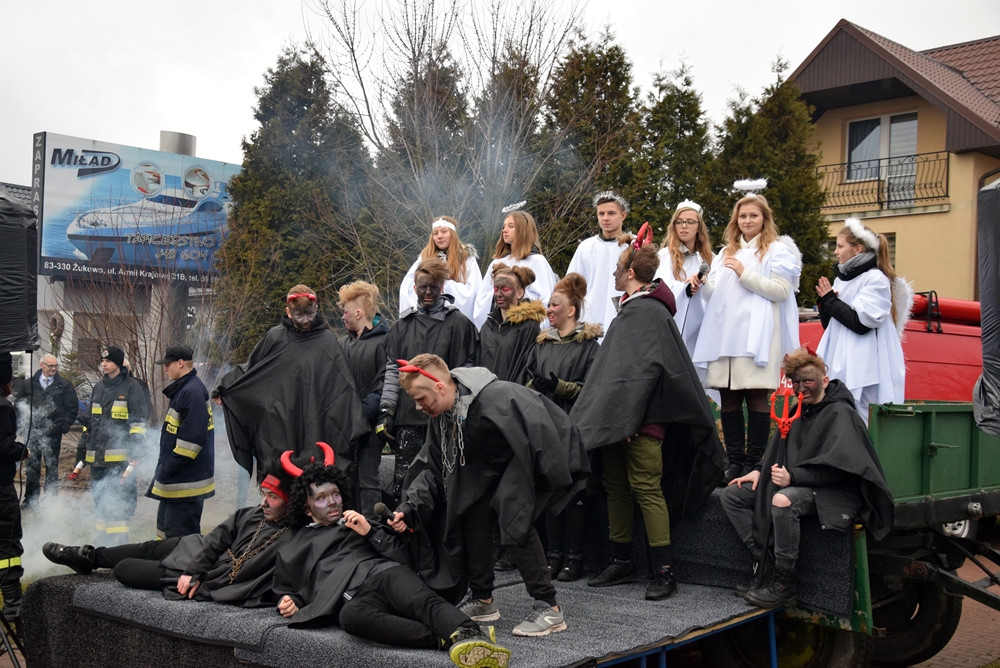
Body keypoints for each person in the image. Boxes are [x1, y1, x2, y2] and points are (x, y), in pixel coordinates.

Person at [571, 229, 726, 600]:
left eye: (617, 270)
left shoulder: (645, 312)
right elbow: (616, 375)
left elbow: (643, 375)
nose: (612, 275)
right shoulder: (634, 309)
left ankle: (665, 571)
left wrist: (628, 419)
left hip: (642, 425)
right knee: (615, 488)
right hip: (618, 423)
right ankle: (621, 559)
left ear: (630, 273)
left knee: (646, 490)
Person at [396, 354, 590, 637]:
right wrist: (409, 505)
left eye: (420, 398)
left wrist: (547, 479)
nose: (417, 406)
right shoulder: (442, 417)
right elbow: (430, 466)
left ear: (439, 387)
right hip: (491, 468)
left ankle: (549, 607)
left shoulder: (497, 397)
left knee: (513, 513)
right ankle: (483, 599)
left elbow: (546, 427)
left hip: (533, 456)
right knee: (470, 509)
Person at [272, 457, 511, 668]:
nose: (333, 502)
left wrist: (369, 532)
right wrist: (292, 600)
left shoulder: (358, 523)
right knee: (350, 619)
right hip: (352, 599)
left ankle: (467, 631)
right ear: (306, 507)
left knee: (420, 600)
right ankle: (447, 638)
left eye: (335, 494)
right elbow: (299, 585)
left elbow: (403, 558)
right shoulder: (296, 546)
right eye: (322, 498)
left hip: (383, 573)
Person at [719, 348, 894, 608]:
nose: (802, 388)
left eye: (809, 381)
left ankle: (783, 585)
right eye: (797, 382)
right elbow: (779, 446)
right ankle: (764, 562)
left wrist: (793, 476)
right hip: (797, 481)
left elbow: (839, 470)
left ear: (824, 380)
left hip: (834, 492)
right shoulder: (798, 409)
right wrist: (758, 468)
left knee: (782, 500)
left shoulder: (840, 414)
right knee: (732, 495)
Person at [42, 463, 296, 606]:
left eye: (272, 497)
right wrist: (193, 568)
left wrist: (196, 576)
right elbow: (217, 538)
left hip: (215, 578)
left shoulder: (297, 536)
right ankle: (87, 557)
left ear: (292, 502)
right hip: (201, 553)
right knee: (151, 548)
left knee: (126, 569)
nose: (264, 502)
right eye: (263, 493)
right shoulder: (252, 514)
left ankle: (99, 560)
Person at [692, 188, 802, 485]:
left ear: (765, 219)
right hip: (725, 336)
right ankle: (734, 461)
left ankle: (755, 461)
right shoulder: (727, 251)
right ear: (735, 220)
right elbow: (715, 293)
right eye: (743, 216)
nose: (747, 220)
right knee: (728, 400)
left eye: (754, 215)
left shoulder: (778, 250)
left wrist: (744, 273)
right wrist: (703, 285)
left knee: (755, 398)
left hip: (756, 337)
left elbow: (781, 291)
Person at [213, 285, 368, 489]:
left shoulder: (327, 342)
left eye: (309, 314)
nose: (305, 320)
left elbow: (342, 388)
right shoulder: (275, 337)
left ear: (317, 308)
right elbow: (252, 368)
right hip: (280, 425)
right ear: (288, 311)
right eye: (299, 315)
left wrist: (355, 421)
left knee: (313, 484)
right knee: (280, 482)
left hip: (317, 427)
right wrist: (225, 387)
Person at [375, 260, 478, 508]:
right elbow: (392, 370)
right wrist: (387, 410)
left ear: (442, 287)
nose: (428, 292)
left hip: (445, 417)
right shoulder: (402, 326)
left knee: (445, 480)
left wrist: (459, 410)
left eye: (434, 287)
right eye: (423, 287)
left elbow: (467, 367)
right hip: (408, 419)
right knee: (406, 479)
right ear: (414, 287)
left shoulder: (459, 324)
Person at [525, 273, 602, 581]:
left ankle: (574, 557)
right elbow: (527, 381)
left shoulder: (589, 347)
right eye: (549, 304)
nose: (549, 309)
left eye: (555, 304)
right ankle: (553, 555)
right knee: (550, 492)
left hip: (575, 428)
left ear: (571, 310)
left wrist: (560, 387)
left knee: (577, 493)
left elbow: (593, 389)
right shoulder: (541, 345)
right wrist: (536, 385)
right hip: (546, 428)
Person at [816, 218, 913, 425]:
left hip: (864, 364)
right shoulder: (841, 279)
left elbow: (861, 323)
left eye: (840, 246)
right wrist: (825, 303)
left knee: (859, 415)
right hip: (840, 358)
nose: (835, 252)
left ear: (857, 249)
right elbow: (832, 327)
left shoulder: (875, 279)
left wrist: (830, 300)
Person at [73, 345, 149, 545]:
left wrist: (136, 449)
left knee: (117, 507)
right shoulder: (98, 387)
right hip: (96, 461)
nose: (104, 364)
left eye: (108, 361)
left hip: (119, 462)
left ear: (118, 363)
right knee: (100, 506)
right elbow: (90, 421)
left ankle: (117, 548)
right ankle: (100, 547)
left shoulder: (132, 387)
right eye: (102, 361)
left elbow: (139, 422)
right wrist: (82, 448)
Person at [147, 344, 215, 539]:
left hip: (185, 484)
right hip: (179, 482)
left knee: (180, 543)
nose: (165, 368)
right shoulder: (185, 389)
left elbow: (191, 444)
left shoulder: (190, 392)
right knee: (165, 537)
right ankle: (165, 568)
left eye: (168, 364)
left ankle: (178, 570)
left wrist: (166, 471)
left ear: (180, 363)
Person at [337, 280, 390, 516]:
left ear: (358, 313)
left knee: (368, 479)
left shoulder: (386, 343)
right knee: (343, 478)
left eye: (345, 312)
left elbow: (384, 386)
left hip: (369, 428)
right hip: (344, 428)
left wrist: (357, 416)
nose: (342, 317)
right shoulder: (341, 344)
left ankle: (372, 531)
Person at [472, 205, 558, 329]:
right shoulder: (496, 263)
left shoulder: (537, 261)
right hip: (497, 329)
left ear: (523, 230)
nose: (504, 230)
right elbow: (481, 299)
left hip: (525, 330)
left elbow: (546, 300)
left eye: (511, 226)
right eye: (504, 226)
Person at [15, 353, 77, 507]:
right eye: (50, 366)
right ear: (42, 365)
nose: (53, 368)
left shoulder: (64, 385)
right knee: (32, 465)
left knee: (51, 465)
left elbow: (72, 407)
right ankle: (31, 499)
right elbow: (19, 405)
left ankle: (50, 500)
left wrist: (64, 426)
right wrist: (23, 427)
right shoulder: (29, 384)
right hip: (33, 431)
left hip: (53, 431)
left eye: (56, 365)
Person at [654, 200, 714, 358]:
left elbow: (716, 295)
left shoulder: (710, 259)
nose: (684, 226)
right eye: (679, 222)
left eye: (690, 222)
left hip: (701, 330)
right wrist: (686, 288)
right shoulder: (665, 256)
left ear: (699, 227)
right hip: (673, 325)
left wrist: (702, 286)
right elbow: (660, 286)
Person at [565, 190, 629, 337]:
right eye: (601, 214)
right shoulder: (586, 247)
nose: (605, 218)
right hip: (589, 318)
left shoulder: (633, 247)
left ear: (623, 215)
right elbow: (570, 286)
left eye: (611, 213)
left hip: (623, 317)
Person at [399, 216, 482, 321]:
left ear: (452, 234)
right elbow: (407, 287)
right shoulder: (424, 258)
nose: (439, 236)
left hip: (454, 320)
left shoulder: (466, 258)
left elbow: (474, 291)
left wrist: (446, 285)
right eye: (435, 233)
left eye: (444, 232)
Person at [478, 263, 546, 384]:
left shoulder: (528, 327)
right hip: (485, 394)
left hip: (510, 396)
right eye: (496, 289)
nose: (498, 294)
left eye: (505, 289)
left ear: (520, 293)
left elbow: (526, 368)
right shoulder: (488, 326)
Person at [0, 353, 28, 620]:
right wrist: (22, 451)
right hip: (1, 490)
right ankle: (12, 606)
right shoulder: (4, 406)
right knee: (7, 546)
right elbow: (4, 447)